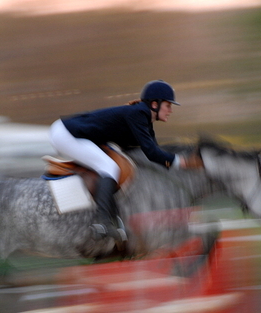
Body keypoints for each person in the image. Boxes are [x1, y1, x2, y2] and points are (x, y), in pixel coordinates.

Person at [50, 80, 190, 247]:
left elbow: (152, 153)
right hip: (66, 134)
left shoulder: (144, 120)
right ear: (154, 104)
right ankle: (103, 223)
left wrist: (173, 162)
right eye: (168, 105)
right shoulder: (138, 114)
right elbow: (152, 153)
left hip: (77, 134)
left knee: (113, 164)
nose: (171, 110)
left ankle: (112, 218)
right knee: (109, 167)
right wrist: (182, 162)